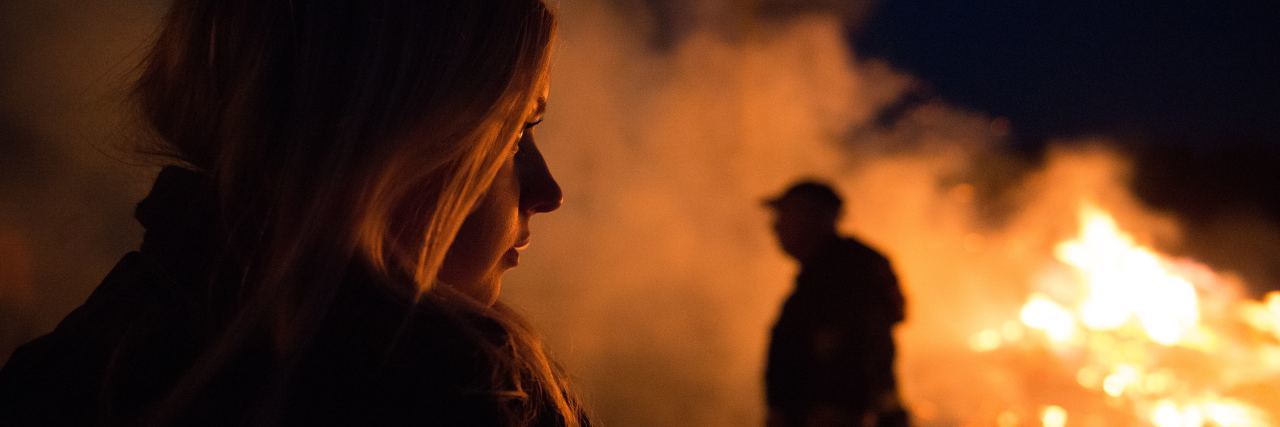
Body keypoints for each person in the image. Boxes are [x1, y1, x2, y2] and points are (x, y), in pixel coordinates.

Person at [0, 0, 589, 425]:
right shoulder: (452, 397)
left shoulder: (74, 369)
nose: (548, 190)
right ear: (376, 140)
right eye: (513, 134)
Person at [763, 180, 908, 427]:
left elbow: (857, 352)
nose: (775, 227)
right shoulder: (831, 273)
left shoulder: (844, 275)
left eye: (785, 215)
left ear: (810, 218)